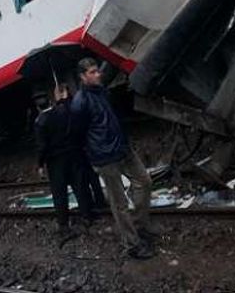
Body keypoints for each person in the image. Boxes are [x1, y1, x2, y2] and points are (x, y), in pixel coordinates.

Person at [70, 58, 155, 260]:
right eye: (92, 72)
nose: (97, 74)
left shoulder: (102, 91)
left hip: (123, 149)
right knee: (119, 204)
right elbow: (77, 135)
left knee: (145, 181)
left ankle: (139, 226)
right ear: (83, 77)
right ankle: (132, 245)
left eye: (97, 70)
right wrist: (92, 157)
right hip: (105, 157)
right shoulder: (80, 102)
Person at [35, 84, 93, 242]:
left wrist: (40, 164)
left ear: (37, 106)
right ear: (49, 100)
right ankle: (87, 216)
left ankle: (64, 225)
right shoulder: (62, 112)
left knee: (59, 193)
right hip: (73, 155)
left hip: (55, 161)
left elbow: (42, 147)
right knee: (79, 186)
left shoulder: (40, 121)